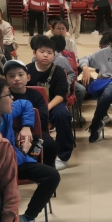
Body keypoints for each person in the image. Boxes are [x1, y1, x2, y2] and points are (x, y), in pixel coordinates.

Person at [0, 77, 61, 222]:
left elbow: (26, 104)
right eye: (8, 95)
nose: (12, 97)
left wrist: (26, 126)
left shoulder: (6, 111)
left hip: (14, 161)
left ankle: (27, 219)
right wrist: (19, 155)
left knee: (51, 176)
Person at [26, 41, 75, 169]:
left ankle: (63, 156)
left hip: (53, 104)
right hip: (31, 106)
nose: (45, 55)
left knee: (63, 115)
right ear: (34, 53)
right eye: (42, 52)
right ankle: (32, 154)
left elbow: (61, 95)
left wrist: (46, 107)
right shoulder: (27, 70)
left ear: (54, 55)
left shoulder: (58, 71)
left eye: (49, 52)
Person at [4, 59, 59, 169]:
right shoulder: (5, 97)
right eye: (11, 76)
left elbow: (43, 119)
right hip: (9, 133)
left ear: (28, 77)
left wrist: (29, 129)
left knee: (49, 145)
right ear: (6, 80)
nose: (16, 78)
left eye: (20, 75)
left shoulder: (36, 95)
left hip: (35, 132)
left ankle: (45, 170)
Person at [79, 29, 112, 143]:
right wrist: (85, 68)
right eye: (111, 46)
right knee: (107, 94)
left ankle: (97, 123)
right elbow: (84, 59)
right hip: (108, 83)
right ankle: (96, 124)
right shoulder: (104, 52)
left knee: (110, 96)